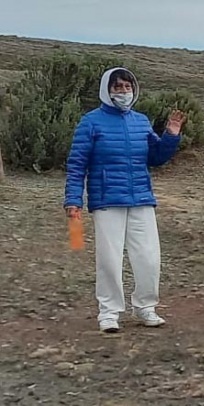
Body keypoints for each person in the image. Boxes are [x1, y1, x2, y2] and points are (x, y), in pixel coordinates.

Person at [63, 67, 187, 333]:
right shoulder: (91, 122)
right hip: (107, 200)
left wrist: (171, 135)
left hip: (141, 198)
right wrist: (73, 200)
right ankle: (109, 312)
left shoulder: (140, 121)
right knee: (109, 258)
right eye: (117, 87)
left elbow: (155, 158)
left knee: (149, 257)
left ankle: (145, 306)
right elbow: (76, 164)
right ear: (107, 90)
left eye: (127, 86)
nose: (123, 91)